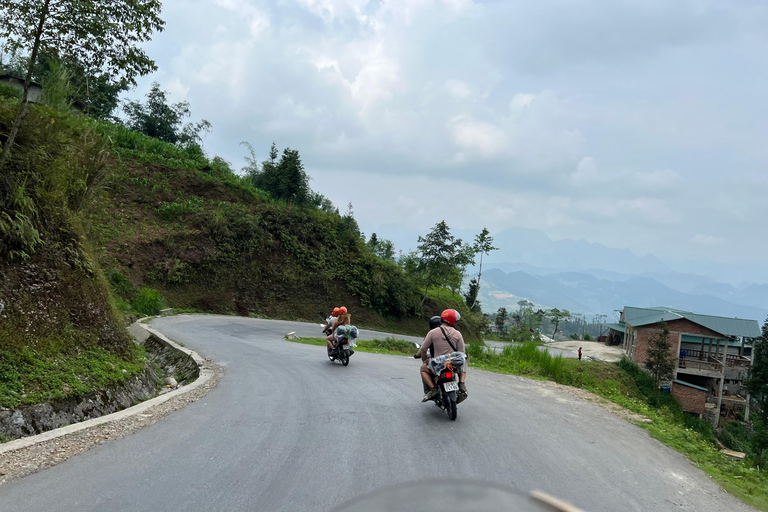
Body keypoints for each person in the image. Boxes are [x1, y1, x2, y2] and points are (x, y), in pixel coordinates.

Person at [416, 309, 468, 403]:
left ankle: (432, 389)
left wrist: (425, 361)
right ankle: (462, 384)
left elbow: (423, 349)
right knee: (463, 362)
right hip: (452, 365)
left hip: (438, 365)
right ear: (453, 320)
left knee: (423, 369)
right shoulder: (457, 334)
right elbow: (461, 352)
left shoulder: (433, 332)